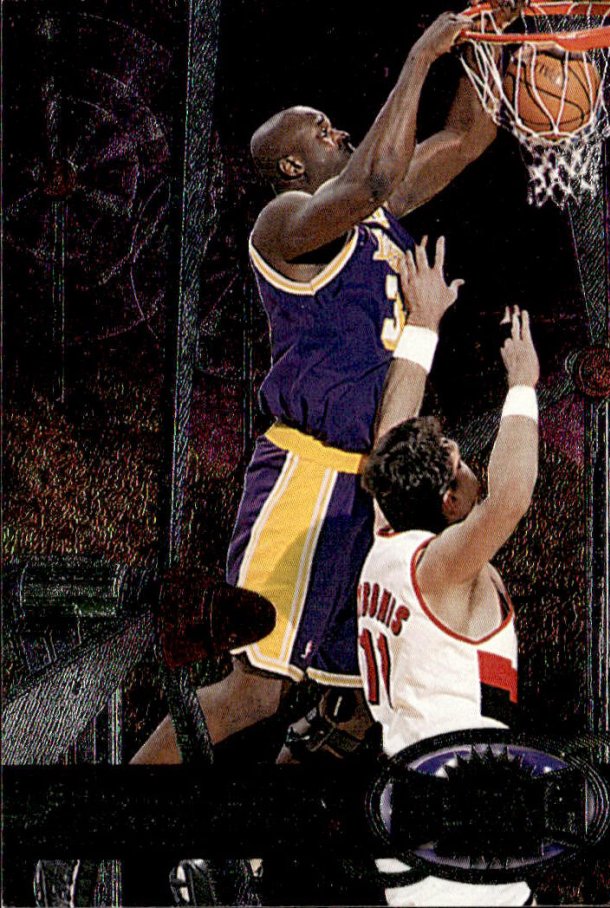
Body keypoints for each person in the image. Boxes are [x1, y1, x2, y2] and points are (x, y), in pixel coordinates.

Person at [133, 10, 498, 766]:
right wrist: (421, 55)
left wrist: (499, 40)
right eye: (322, 130)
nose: (340, 131)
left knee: (354, 700)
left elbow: (467, 137)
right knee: (254, 690)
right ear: (293, 168)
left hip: (377, 486)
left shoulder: (377, 220)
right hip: (308, 477)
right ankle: (107, 817)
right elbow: (373, 177)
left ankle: (272, 839)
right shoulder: (283, 225)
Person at [357, 243, 539, 905]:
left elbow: (391, 434)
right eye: (461, 466)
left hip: (417, 802)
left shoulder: (389, 530)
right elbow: (510, 499)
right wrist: (523, 386)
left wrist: (425, 323)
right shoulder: (442, 570)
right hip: (455, 811)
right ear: (449, 503)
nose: (471, 468)